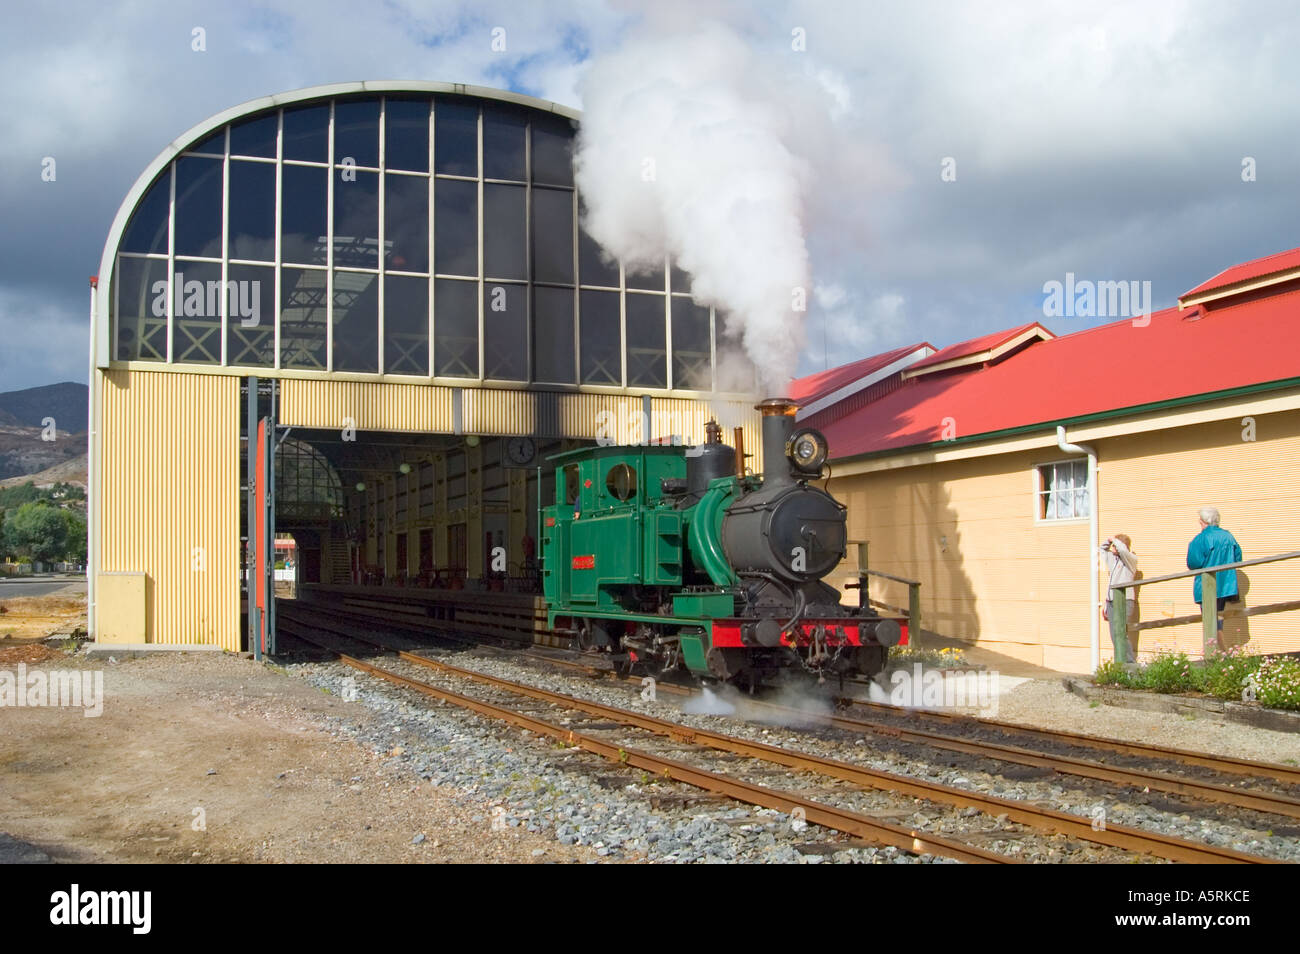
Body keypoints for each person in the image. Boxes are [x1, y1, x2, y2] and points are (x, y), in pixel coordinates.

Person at [1186, 507, 1243, 638]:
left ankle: (1218, 654)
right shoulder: (1228, 536)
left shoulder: (1200, 539)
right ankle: (1218, 653)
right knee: (1218, 620)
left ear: (1203, 521)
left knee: (1211, 624)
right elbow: (1238, 558)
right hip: (1226, 585)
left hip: (1207, 586)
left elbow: (1193, 563)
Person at [1100, 534, 1139, 662]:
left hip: (1125, 600)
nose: (1112, 548)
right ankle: (1120, 663)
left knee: (1120, 633)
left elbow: (1123, 551)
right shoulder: (1113, 559)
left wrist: (1115, 540)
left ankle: (1129, 663)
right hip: (1111, 601)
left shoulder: (1130, 560)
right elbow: (1101, 550)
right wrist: (1106, 603)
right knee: (1113, 635)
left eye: (1114, 546)